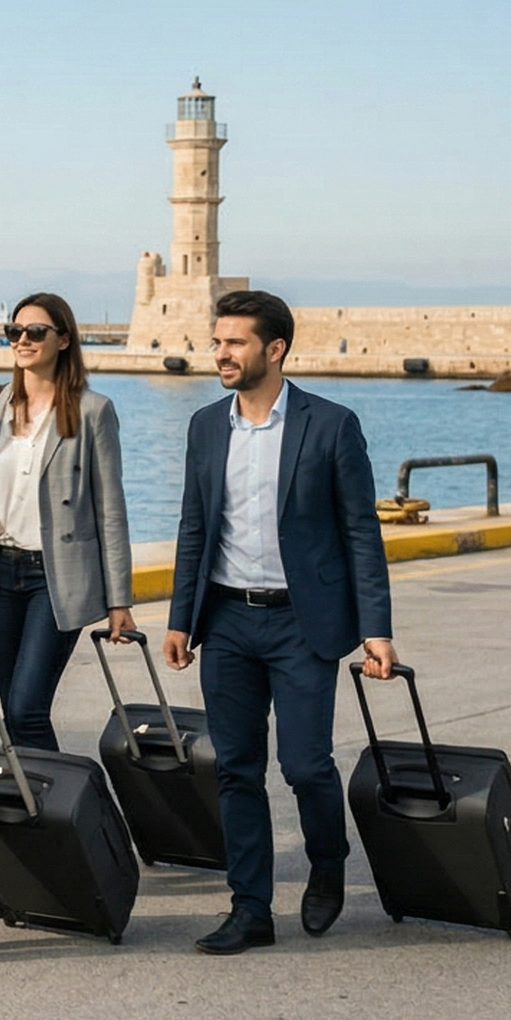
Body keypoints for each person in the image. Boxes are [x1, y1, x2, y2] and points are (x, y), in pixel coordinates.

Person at [165, 289, 397, 955]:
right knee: (235, 768)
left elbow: (361, 532)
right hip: (226, 619)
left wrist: (377, 629)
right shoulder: (206, 426)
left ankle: (327, 862)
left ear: (275, 349)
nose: (220, 353)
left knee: (304, 764)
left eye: (234, 343)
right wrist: (181, 618)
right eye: (217, 342)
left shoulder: (331, 425)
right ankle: (250, 909)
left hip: (303, 622)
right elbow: (193, 525)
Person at [0, 293, 137, 753]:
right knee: (14, 710)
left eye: (35, 332)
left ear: (63, 340)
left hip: (55, 577)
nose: (22, 340)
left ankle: (57, 792)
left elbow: (110, 509)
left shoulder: (92, 410)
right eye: (14, 332)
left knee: (27, 708)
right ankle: (36, 792)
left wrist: (119, 600)